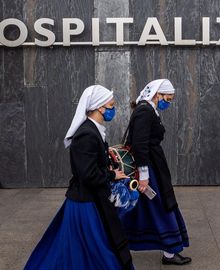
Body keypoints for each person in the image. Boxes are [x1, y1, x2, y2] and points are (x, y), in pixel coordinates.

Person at [24, 85, 134, 270]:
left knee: (84, 248)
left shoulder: (93, 130)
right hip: (85, 203)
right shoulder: (86, 134)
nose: (113, 109)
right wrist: (112, 174)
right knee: (95, 248)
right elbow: (88, 174)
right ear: (100, 107)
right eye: (111, 105)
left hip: (88, 199)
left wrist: (110, 168)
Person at [120, 79, 191, 265]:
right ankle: (169, 251)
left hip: (151, 166)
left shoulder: (148, 109)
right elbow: (139, 144)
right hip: (149, 168)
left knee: (138, 208)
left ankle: (121, 246)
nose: (168, 102)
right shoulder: (145, 111)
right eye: (167, 98)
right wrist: (144, 176)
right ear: (157, 95)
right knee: (160, 206)